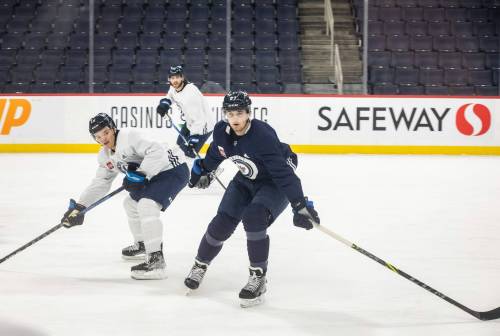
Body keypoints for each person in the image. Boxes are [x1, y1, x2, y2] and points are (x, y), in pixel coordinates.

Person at [183, 91, 320, 307]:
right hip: (247, 177)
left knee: (254, 216)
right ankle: (200, 265)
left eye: (239, 113)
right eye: (230, 113)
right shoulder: (222, 131)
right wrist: (203, 170)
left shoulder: (262, 135)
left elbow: (283, 174)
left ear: (248, 113)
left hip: (273, 180)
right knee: (222, 222)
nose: (235, 118)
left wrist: (299, 204)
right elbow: (215, 154)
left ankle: (258, 278)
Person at [60, 113, 189, 280]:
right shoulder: (105, 156)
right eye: (98, 136)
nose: (103, 138)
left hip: (173, 168)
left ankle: (156, 262)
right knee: (130, 203)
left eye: (106, 132)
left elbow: (157, 151)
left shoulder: (130, 136)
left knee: (146, 205)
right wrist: (80, 207)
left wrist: (142, 173)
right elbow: (101, 182)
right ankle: (143, 244)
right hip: (154, 175)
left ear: (113, 128)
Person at [156, 65, 215, 159]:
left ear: (182, 77)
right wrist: (164, 104)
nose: (175, 80)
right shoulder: (174, 87)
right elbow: (170, 96)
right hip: (190, 122)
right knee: (179, 147)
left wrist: (194, 138)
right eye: (172, 78)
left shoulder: (191, 93)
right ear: (169, 79)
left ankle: (192, 172)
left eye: (177, 77)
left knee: (189, 154)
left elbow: (199, 119)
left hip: (204, 126)